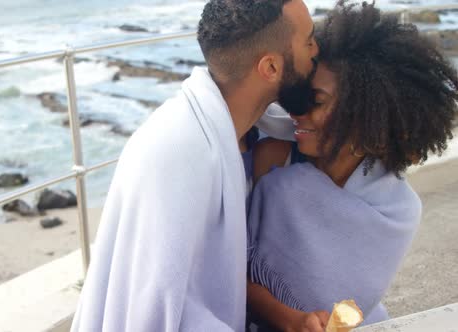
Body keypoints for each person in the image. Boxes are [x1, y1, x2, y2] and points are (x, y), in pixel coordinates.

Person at [71, 0, 318, 330]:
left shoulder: (249, 132)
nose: (317, 51)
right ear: (270, 68)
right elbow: (157, 311)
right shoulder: (179, 150)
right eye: (309, 40)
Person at [246, 1, 458, 331]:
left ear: (364, 115)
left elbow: (353, 304)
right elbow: (233, 268)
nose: (297, 112)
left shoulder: (397, 209)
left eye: (315, 102)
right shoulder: (274, 162)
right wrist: (291, 319)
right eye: (299, 97)